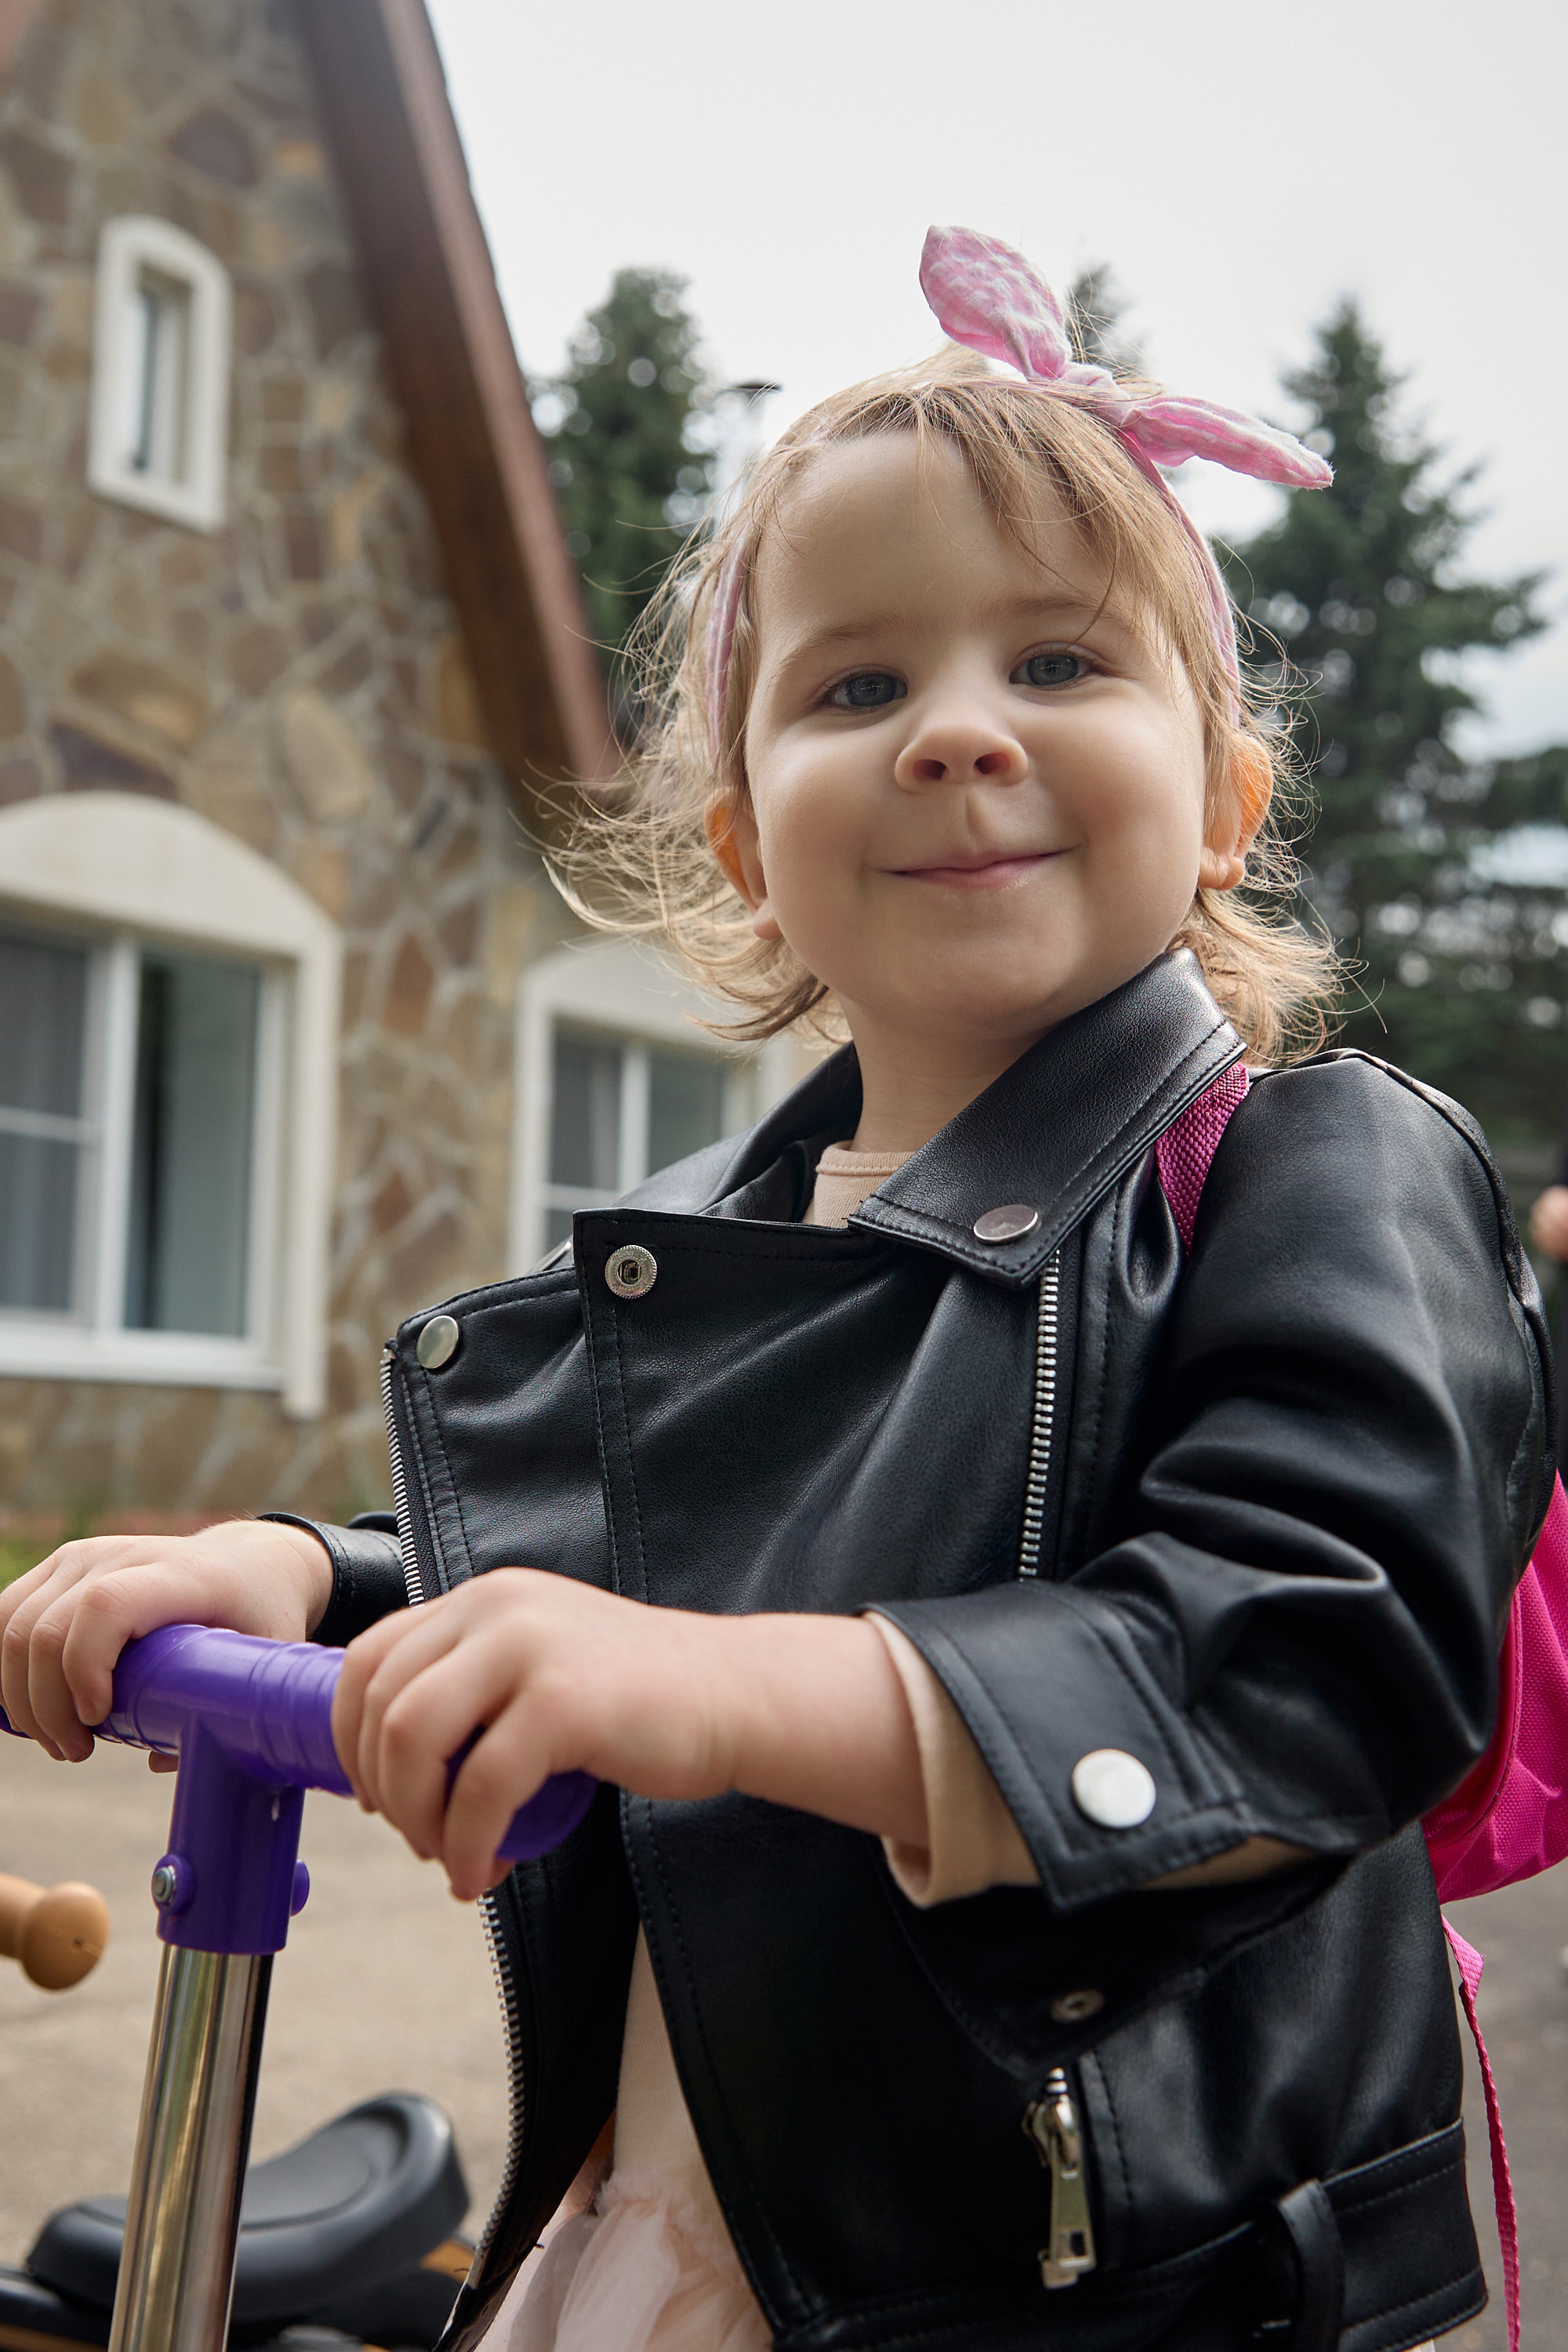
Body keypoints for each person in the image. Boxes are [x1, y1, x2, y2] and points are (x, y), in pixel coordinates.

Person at [0, 229, 1552, 2352]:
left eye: (1063, 665)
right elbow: (636, 1596)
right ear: (741, 840)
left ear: (1227, 804)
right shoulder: (734, 1239)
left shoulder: (1311, 1172)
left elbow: (1305, 1662)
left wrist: (699, 1692)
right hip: (685, 2230)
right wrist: (317, 1583)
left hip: (1094, 2289)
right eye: (856, 685)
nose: (954, 733)